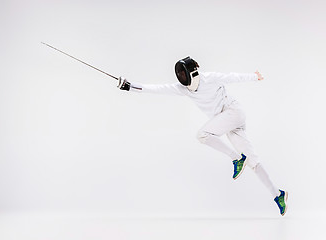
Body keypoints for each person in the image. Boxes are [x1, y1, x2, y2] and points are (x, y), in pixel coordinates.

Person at [117, 56, 288, 216]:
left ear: (193, 72)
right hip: (228, 122)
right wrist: (130, 86)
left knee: (203, 135)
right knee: (253, 162)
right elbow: (157, 89)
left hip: (233, 112)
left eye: (184, 73)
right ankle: (278, 194)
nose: (182, 77)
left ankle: (237, 158)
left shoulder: (210, 78)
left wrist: (254, 76)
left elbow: (232, 77)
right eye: (180, 74)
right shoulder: (184, 89)